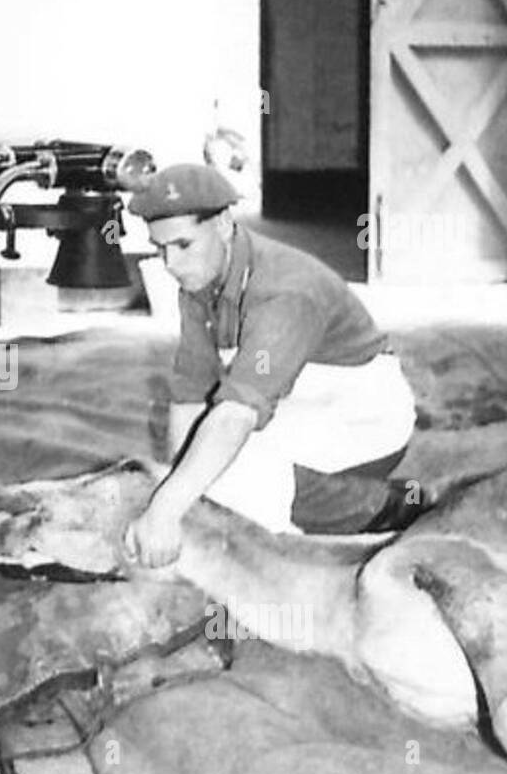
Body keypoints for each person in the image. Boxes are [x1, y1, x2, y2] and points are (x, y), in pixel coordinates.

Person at [123, 163, 422, 567]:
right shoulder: (200, 279)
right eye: (160, 249)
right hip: (297, 399)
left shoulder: (284, 292)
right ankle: (307, 500)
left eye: (182, 245)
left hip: (363, 415)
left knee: (238, 477)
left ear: (225, 223)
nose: (170, 263)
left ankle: (384, 507)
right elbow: (190, 392)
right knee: (203, 470)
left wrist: (167, 509)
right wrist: (179, 495)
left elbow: (235, 416)